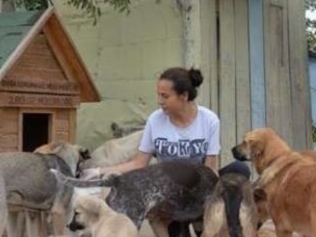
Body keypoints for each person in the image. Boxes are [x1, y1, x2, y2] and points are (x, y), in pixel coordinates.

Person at [82, 67, 220, 178]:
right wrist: (99, 171)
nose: (160, 101)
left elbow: (209, 169)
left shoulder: (209, 121)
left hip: (197, 184)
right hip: (164, 185)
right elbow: (139, 163)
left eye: (165, 96)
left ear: (184, 95)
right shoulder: (155, 120)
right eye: (158, 95)